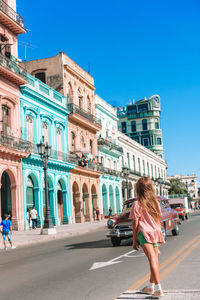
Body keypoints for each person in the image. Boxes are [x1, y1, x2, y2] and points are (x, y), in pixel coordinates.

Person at [130, 177, 165, 299]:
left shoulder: (137, 203)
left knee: (152, 259)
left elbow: (135, 223)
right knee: (154, 259)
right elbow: (159, 218)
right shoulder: (155, 202)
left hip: (144, 232)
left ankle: (159, 289)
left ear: (138, 189)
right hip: (155, 231)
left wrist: (134, 240)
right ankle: (150, 287)